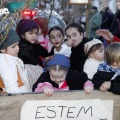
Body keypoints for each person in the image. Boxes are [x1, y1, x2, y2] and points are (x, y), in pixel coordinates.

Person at [0, 29, 31, 93]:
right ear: (3, 49)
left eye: (18, 45)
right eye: (13, 47)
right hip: (15, 98)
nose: (18, 48)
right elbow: (12, 89)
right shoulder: (7, 64)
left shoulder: (11, 59)